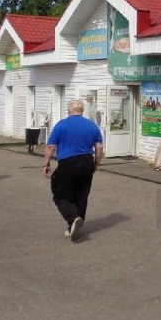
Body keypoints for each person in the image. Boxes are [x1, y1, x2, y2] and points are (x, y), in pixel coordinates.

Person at [42, 99, 104, 242]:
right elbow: (99, 148)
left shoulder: (61, 125)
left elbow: (50, 147)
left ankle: (73, 217)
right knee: (81, 194)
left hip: (68, 162)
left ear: (69, 110)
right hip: (87, 161)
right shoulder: (92, 126)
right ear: (82, 110)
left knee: (60, 195)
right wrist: (96, 163)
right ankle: (74, 227)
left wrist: (46, 164)